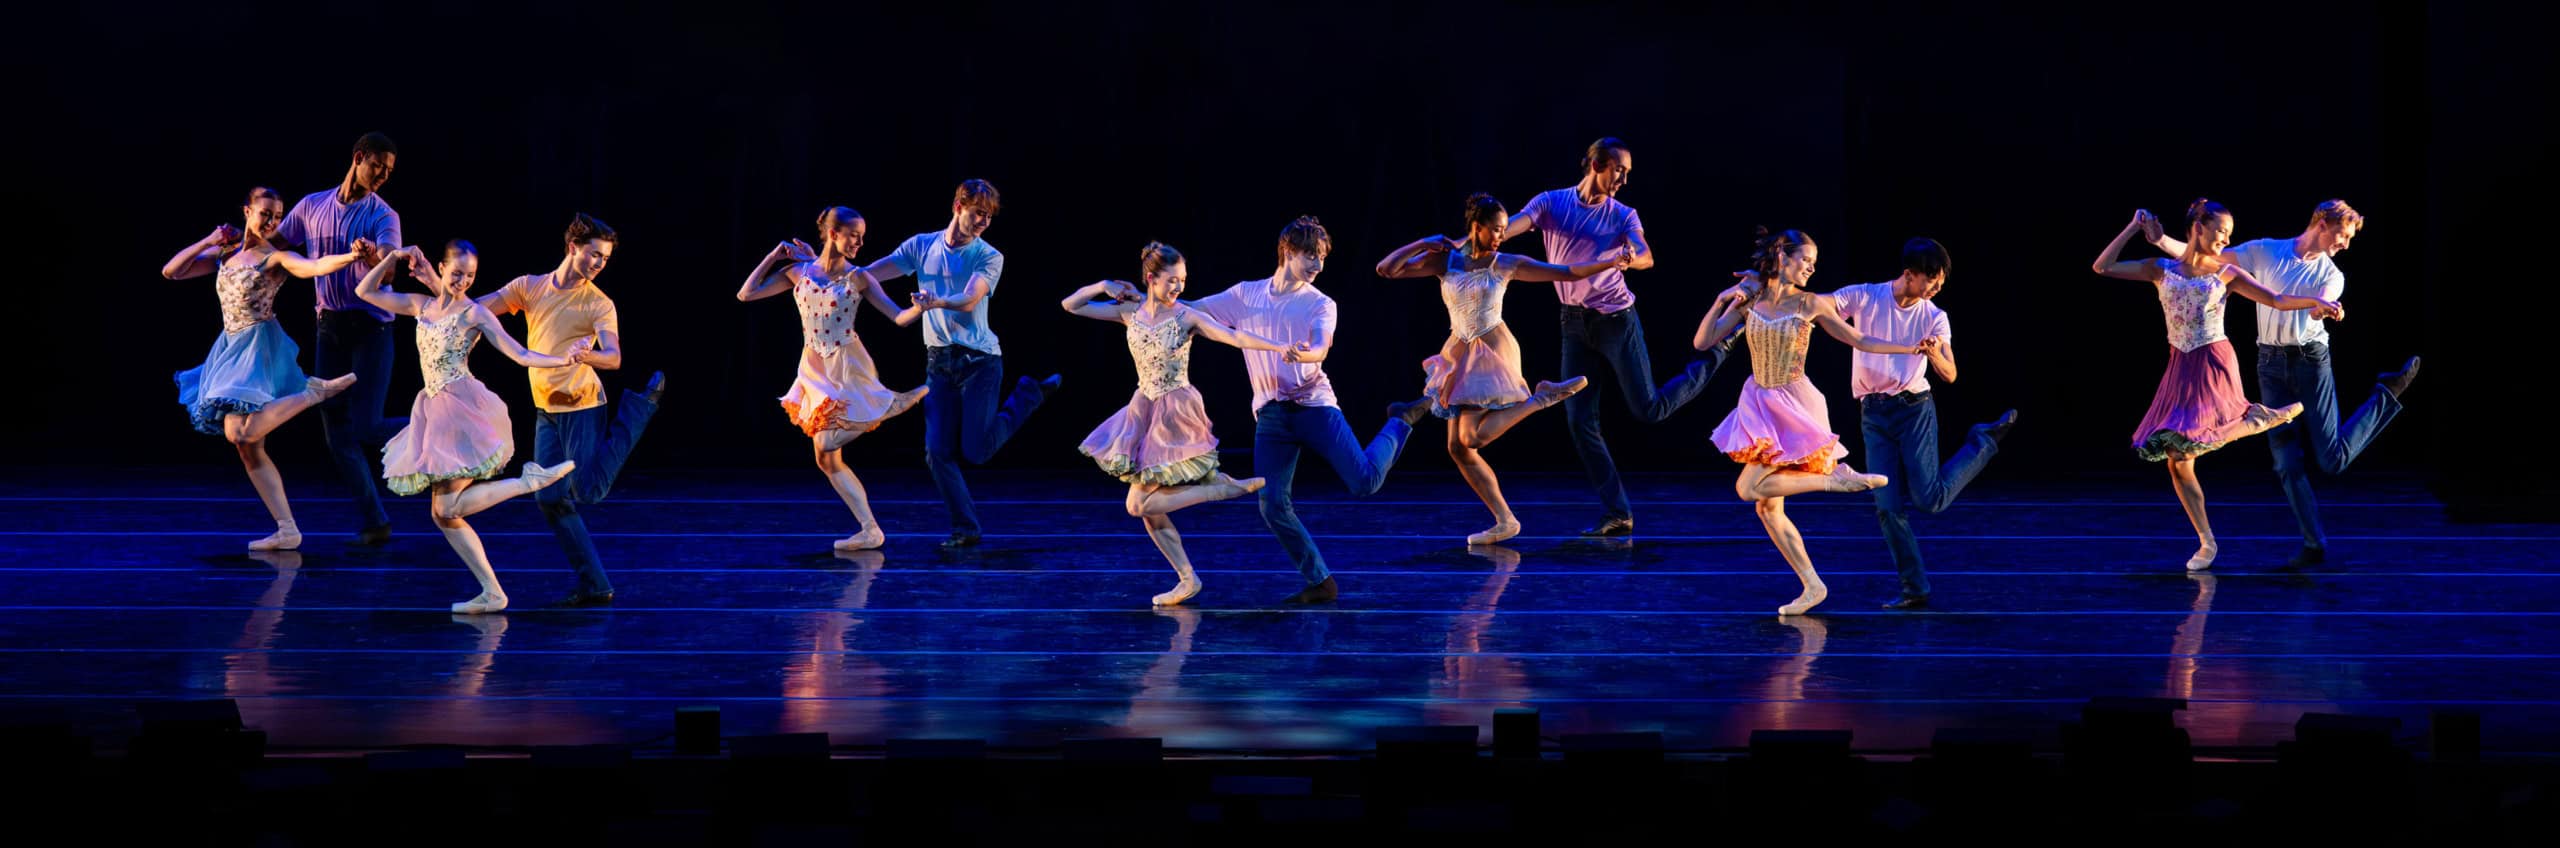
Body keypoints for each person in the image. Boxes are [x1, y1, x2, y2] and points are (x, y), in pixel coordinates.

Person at [2145, 199, 2416, 570]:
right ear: (2323, 223)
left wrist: (2321, 309)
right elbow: (2201, 257)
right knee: (2286, 464)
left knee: (2332, 460)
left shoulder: (2332, 274)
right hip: (2270, 363)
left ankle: (2387, 393)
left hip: (2310, 362)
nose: (2346, 244)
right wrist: (2161, 242)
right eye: (2344, 234)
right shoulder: (2265, 251)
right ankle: (2313, 543)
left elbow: (2320, 305)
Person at [1692, 228, 1935, 616]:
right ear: (1781, 258)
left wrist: (1908, 347)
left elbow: (1861, 340)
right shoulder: (1750, 299)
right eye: (1805, 261)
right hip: (1760, 400)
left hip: (1794, 404)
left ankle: (1835, 479)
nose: (1810, 268)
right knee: (1768, 508)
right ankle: (1812, 585)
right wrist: (1722, 300)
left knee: (1747, 489)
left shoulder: (1811, 303)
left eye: (1814, 263)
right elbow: (1703, 342)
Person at [2092, 200, 2343, 571]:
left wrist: (2317, 301)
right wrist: (2132, 227)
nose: (2226, 239)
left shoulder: (2225, 273)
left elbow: (2274, 298)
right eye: (2221, 231)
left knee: (2198, 441)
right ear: (2198, 226)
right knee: (2178, 464)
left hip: (2213, 361)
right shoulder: (2162, 270)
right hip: (2180, 365)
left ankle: (2260, 419)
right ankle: (2207, 542)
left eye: (2229, 233)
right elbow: (2103, 266)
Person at [1186, 216, 1423, 604]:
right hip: (1272, 417)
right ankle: (1320, 581)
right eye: (1310, 256)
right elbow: (1192, 311)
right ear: (1287, 251)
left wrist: (1305, 354)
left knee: (1364, 482)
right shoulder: (1247, 295)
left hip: (1314, 406)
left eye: (1322, 258)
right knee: (1272, 504)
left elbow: (1321, 347)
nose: (1318, 265)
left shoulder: (1320, 303)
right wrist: (1151, 302)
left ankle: (1399, 420)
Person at [1500, 137, 1729, 536]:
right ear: (1595, 164)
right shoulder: (1551, 203)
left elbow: (1646, 254)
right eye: (1618, 170)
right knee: (1579, 420)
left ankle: (1717, 351)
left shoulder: (1623, 214)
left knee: (1649, 409)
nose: (1623, 179)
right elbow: (1513, 226)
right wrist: (1487, 234)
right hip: (1573, 323)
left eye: (1627, 173)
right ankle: (1618, 512)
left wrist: (1629, 257)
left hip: (1616, 321)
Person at [1375, 193, 1623, 546]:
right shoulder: (1447, 261)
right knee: (1459, 449)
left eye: (1504, 230)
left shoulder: (1506, 262)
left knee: (1470, 438)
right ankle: (1505, 520)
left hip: (1492, 352)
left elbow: (1567, 272)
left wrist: (1609, 262)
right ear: (1476, 227)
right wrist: (1424, 242)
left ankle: (1540, 399)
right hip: (1458, 354)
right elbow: (1386, 269)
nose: (1499, 237)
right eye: (1494, 230)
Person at [358, 243, 585, 613]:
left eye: (471, 275)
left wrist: (565, 358)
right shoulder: (422, 305)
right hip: (432, 407)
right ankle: (492, 592)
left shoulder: (475, 313)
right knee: (443, 512)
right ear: (442, 267)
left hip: (460, 409)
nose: (463, 280)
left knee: (446, 509)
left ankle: (527, 483)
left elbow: (521, 354)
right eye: (457, 272)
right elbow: (364, 292)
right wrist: (393, 257)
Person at [1060, 242, 1282, 606]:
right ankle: (1187, 579)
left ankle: (1220, 490)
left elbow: (1234, 336)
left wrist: (1277, 347)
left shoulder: (1185, 317)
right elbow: (1071, 305)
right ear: (1151, 279)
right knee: (1149, 509)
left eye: (1183, 280)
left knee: (1138, 505)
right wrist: (1103, 284)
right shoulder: (1129, 312)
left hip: (1174, 411)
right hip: (1141, 411)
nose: (1179, 287)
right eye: (1172, 280)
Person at [852, 180, 1059, 548]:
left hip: (979, 361)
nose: (983, 221)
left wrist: (934, 302)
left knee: (976, 451)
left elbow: (968, 299)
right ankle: (966, 529)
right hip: (939, 363)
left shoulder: (989, 256)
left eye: (989, 216)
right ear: (957, 206)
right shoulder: (922, 245)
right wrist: (834, 269)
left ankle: (1028, 394)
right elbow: (871, 273)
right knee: (936, 453)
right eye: (978, 212)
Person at [162, 186, 363, 551]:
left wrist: (350, 256)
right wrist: (210, 238)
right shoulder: (225, 254)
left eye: (277, 215)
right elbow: (172, 271)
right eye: (265, 213)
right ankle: (288, 530)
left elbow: (314, 267)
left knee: (239, 434)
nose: (272, 220)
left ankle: (311, 392)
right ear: (247, 211)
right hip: (229, 348)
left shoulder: (274, 257)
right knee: (247, 447)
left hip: (259, 348)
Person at [477, 213, 663, 606]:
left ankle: (640, 408)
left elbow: (613, 357)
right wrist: (436, 297)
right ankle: (594, 584)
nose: (599, 264)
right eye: (594, 255)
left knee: (588, 490)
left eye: (605, 259)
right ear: (572, 247)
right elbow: (477, 310)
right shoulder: (529, 288)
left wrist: (588, 354)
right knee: (548, 496)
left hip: (582, 405)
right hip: (546, 408)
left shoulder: (598, 303)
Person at [1829, 239, 2016, 609]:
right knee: (1886, 505)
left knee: (1929, 501)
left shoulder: (1935, 316)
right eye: (1931, 280)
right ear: (1909, 274)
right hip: (1874, 414)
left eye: (1940, 283)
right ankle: (1914, 588)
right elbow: (1819, 305)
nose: (1935, 288)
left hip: (1914, 409)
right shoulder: (1866, 297)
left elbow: (1950, 374)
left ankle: (1983, 441)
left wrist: (1933, 354)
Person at [737, 207, 929, 550]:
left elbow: (899, 317)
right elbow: (746, 294)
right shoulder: (800, 272)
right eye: (854, 235)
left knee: (826, 443)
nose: (860, 242)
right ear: (833, 233)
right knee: (826, 458)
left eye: (862, 236)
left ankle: (891, 404)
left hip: (846, 365)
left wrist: (921, 307)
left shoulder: (859, 278)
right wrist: (773, 256)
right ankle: (871, 530)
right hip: (813, 366)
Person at [274, 131, 406, 545]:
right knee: (335, 431)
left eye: (389, 172)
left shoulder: (384, 216)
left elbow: (389, 272)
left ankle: (432, 429)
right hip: (329, 328)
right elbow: (275, 247)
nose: (383, 176)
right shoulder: (312, 206)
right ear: (358, 157)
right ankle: (375, 521)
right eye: (378, 167)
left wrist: (372, 256)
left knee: (367, 424)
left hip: (371, 328)